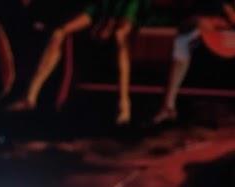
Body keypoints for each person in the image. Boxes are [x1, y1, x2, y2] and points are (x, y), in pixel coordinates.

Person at [9, 1, 150, 124]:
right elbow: (94, 9)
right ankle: (30, 96)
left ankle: (124, 104)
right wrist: (103, 20)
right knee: (58, 33)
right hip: (101, 10)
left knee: (120, 36)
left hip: (128, 9)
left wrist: (110, 22)